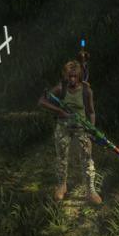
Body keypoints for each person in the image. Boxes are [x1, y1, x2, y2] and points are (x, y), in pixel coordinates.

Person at [38, 60, 101, 204]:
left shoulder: (86, 90)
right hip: (63, 127)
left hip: (81, 127)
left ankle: (90, 190)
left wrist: (91, 129)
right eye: (69, 76)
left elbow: (91, 112)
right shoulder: (61, 88)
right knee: (61, 158)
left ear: (79, 76)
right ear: (65, 75)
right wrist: (59, 111)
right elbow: (41, 101)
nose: (72, 79)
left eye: (75, 76)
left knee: (87, 159)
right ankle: (62, 185)